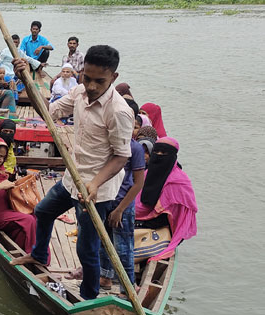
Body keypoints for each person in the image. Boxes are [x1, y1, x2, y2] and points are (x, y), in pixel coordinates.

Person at [11, 45, 133, 300]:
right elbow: (49, 112)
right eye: (86, 78)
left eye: (99, 81)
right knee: (43, 211)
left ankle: (88, 296)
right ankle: (40, 254)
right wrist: (26, 80)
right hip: (72, 178)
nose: (91, 86)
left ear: (114, 78)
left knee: (86, 249)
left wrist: (95, 183)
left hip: (96, 190)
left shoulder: (119, 111)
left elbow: (121, 156)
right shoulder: (79, 92)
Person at [99, 128, 147, 293]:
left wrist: (120, 210)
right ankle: (105, 277)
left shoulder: (135, 148)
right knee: (104, 242)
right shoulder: (107, 145)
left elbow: (138, 183)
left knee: (123, 249)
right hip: (104, 199)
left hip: (122, 204)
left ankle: (128, 289)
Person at [135, 137, 197, 260]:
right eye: (156, 152)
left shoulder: (179, 181)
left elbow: (180, 216)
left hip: (161, 227)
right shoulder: (146, 174)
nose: (159, 156)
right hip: (139, 221)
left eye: (164, 153)